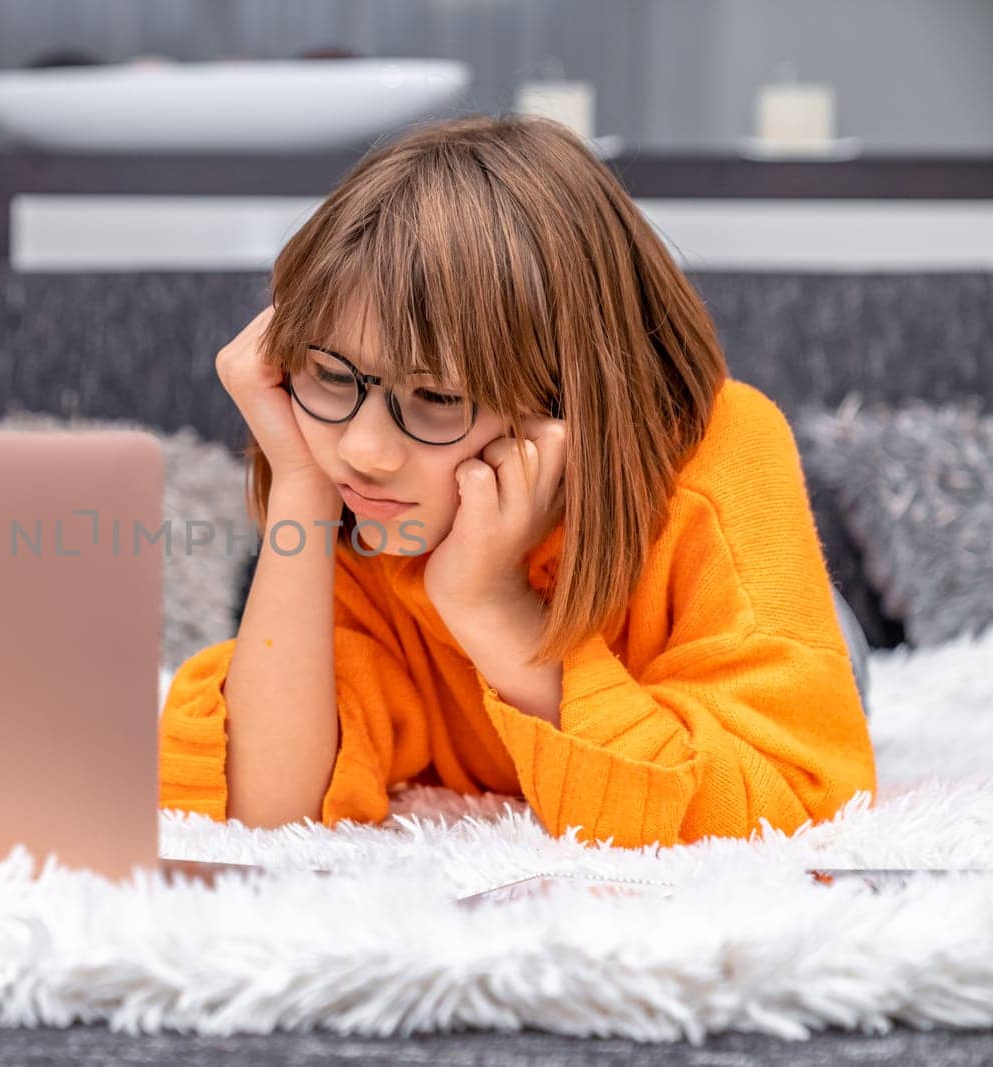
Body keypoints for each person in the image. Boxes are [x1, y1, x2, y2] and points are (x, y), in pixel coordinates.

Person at [157, 113, 877, 849]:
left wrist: (493, 606)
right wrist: (302, 485)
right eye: (331, 376)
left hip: (781, 639)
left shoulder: (721, 456)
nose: (364, 450)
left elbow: (784, 801)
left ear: (570, 401)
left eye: (436, 397)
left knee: (831, 654)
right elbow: (263, 808)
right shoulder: (360, 499)